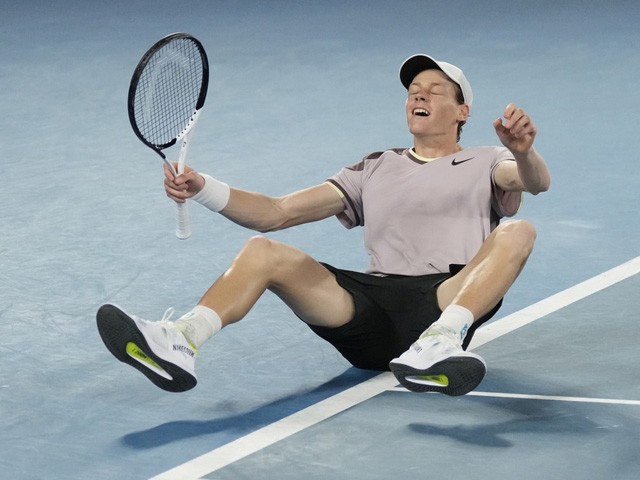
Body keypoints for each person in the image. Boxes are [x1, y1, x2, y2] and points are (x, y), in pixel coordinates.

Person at [97, 54, 550, 396]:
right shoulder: (376, 166)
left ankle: (442, 341)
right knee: (263, 251)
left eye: (434, 91)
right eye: (414, 90)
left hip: (443, 299)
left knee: (519, 230)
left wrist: (524, 151)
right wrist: (202, 188)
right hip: (368, 313)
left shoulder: (488, 160)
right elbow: (277, 212)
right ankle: (181, 340)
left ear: (462, 111)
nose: (419, 96)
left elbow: (534, 182)